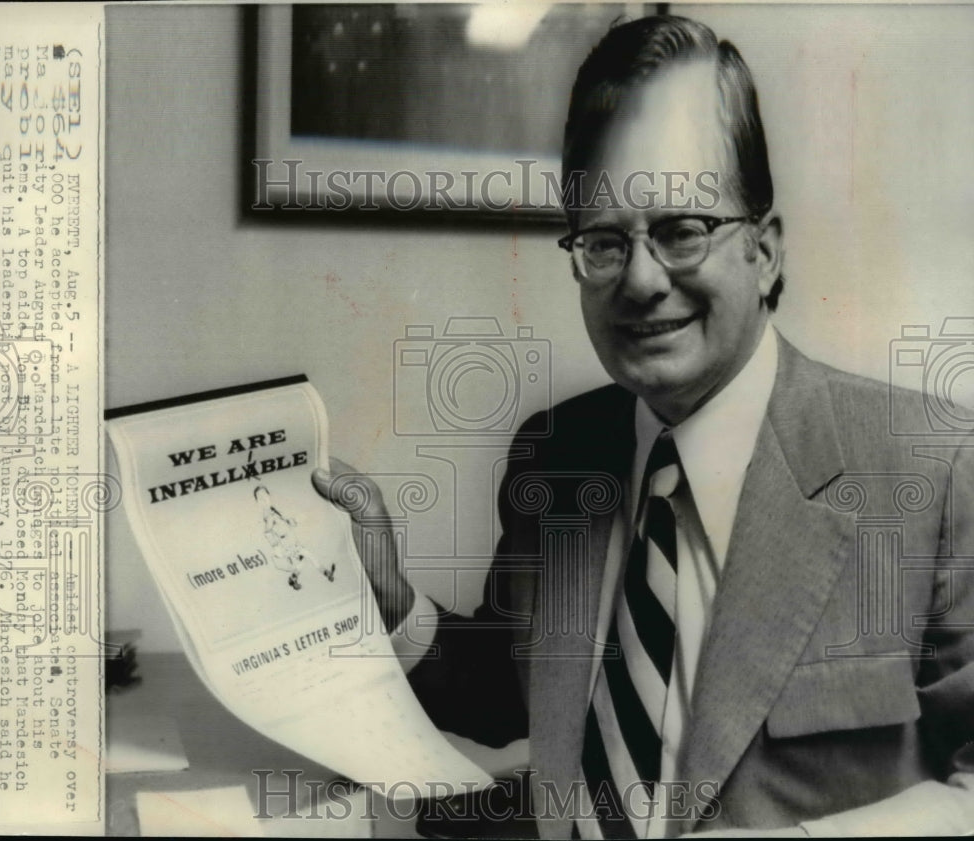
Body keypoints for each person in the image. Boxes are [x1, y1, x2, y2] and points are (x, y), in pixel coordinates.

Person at [313, 15, 974, 838]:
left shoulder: (933, 465)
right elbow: (499, 691)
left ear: (765, 251)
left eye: (682, 230)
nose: (641, 280)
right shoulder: (554, 453)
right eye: (603, 241)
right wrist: (389, 591)